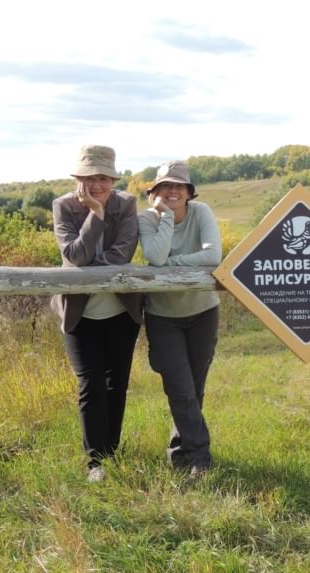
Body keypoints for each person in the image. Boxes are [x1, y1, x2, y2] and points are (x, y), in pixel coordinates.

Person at [51, 144, 143, 483]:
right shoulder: (63, 206)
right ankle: (96, 462)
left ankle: (112, 453)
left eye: (103, 177)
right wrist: (96, 214)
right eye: (90, 178)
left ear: (112, 179)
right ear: (79, 179)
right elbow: (75, 257)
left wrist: (92, 265)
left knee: (115, 383)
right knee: (90, 383)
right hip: (79, 312)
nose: (97, 185)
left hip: (121, 310)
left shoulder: (128, 204)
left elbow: (121, 255)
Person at [138, 161, 222, 478]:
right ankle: (201, 457)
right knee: (180, 388)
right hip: (163, 317)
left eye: (179, 186)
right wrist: (167, 218)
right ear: (155, 193)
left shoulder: (202, 213)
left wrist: (174, 262)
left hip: (203, 313)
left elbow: (213, 256)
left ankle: (178, 452)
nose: (173, 191)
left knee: (194, 388)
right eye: (165, 187)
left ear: (189, 192)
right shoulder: (146, 220)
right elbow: (156, 257)